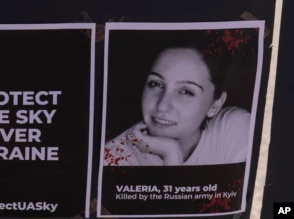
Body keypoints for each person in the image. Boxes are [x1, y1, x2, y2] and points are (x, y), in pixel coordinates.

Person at [103, 38, 251, 166]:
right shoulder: (114, 158)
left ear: (215, 104)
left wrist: (172, 154)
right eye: (156, 84)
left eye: (186, 92)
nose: (162, 106)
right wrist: (171, 153)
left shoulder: (233, 128)